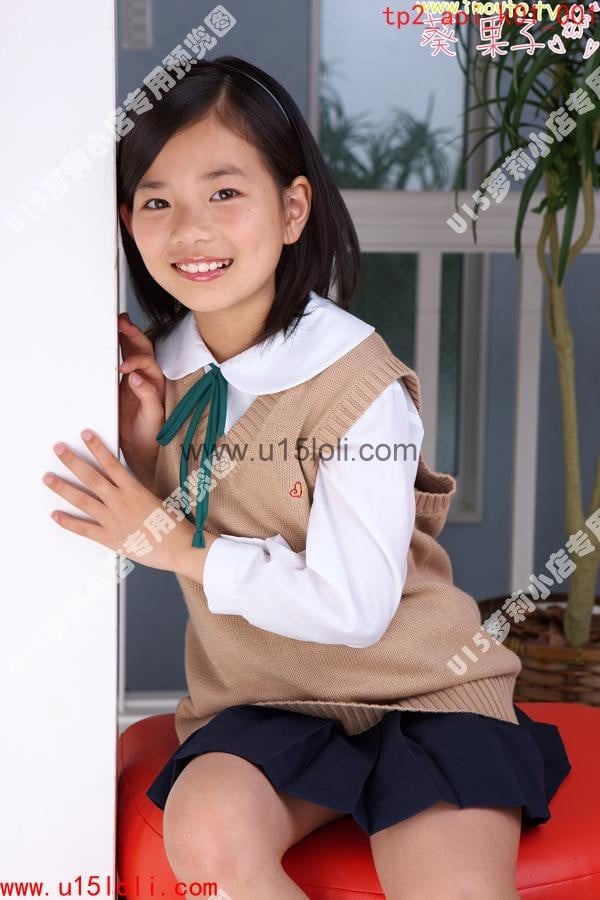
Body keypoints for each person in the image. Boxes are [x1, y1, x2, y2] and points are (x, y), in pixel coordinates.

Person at [66, 55, 572, 898]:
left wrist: (169, 541)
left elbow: (354, 609)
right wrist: (148, 452)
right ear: (128, 220)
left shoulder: (359, 385)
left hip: (425, 693)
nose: (190, 229)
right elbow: (197, 518)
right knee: (208, 832)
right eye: (157, 201)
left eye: (225, 192)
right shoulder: (164, 371)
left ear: (293, 208)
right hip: (263, 703)